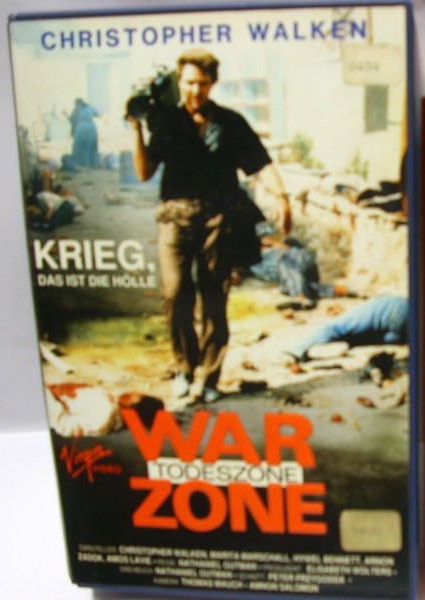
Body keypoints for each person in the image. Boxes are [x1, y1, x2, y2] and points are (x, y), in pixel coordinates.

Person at [128, 49, 291, 403]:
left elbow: (260, 164)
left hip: (219, 219)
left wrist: (283, 198)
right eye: (189, 83)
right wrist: (136, 128)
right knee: (175, 294)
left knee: (215, 298)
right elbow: (143, 172)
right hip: (175, 217)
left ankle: (210, 376)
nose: (195, 91)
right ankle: (185, 368)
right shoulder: (167, 122)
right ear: (180, 82)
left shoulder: (230, 123)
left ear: (213, 83)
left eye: (202, 83)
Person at [287, 295, 408, 363]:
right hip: (401, 330)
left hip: (396, 309)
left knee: (337, 328)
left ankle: (294, 353)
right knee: (367, 338)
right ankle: (332, 345)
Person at [67, 98, 100, 168]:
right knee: (91, 145)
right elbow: (98, 115)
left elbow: (71, 119)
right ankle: (93, 163)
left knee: (80, 146)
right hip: (91, 126)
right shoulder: (90, 108)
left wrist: (65, 114)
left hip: (81, 127)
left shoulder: (77, 109)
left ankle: (83, 163)